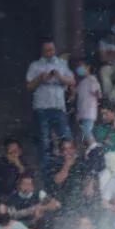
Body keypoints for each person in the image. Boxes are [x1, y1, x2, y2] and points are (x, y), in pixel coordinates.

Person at [25, 39, 75, 171]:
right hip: (41, 107)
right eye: (47, 50)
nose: (50, 53)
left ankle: (70, 163)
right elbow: (29, 86)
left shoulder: (62, 64)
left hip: (58, 107)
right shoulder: (35, 65)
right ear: (42, 52)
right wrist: (40, 78)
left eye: (51, 50)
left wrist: (59, 77)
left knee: (66, 136)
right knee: (44, 139)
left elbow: (72, 81)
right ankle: (45, 167)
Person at [73, 61, 101, 145]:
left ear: (88, 67)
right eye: (77, 68)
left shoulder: (92, 79)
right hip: (82, 113)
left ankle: (95, 147)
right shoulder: (81, 83)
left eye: (81, 67)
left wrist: (97, 93)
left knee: (87, 131)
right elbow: (75, 94)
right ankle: (91, 148)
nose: (79, 69)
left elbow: (98, 93)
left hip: (89, 112)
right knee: (84, 134)